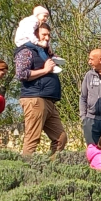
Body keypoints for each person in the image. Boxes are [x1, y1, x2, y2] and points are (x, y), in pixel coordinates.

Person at [15, 23, 66, 156]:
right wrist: (45, 70)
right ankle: (26, 172)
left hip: (49, 101)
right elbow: (21, 74)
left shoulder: (44, 52)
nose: (47, 37)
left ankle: (49, 169)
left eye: (49, 35)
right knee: (32, 139)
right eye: (44, 34)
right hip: (35, 99)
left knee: (61, 138)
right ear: (34, 35)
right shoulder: (26, 51)